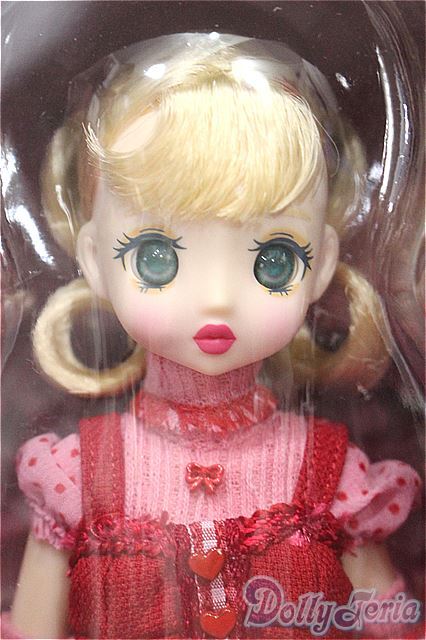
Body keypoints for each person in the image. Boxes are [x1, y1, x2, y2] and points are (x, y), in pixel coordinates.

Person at [8, 34, 421, 639]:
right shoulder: (76, 477)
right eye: (156, 258)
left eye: (274, 261)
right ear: (94, 259)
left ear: (323, 264)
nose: (219, 298)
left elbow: (389, 623)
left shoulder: (334, 478)